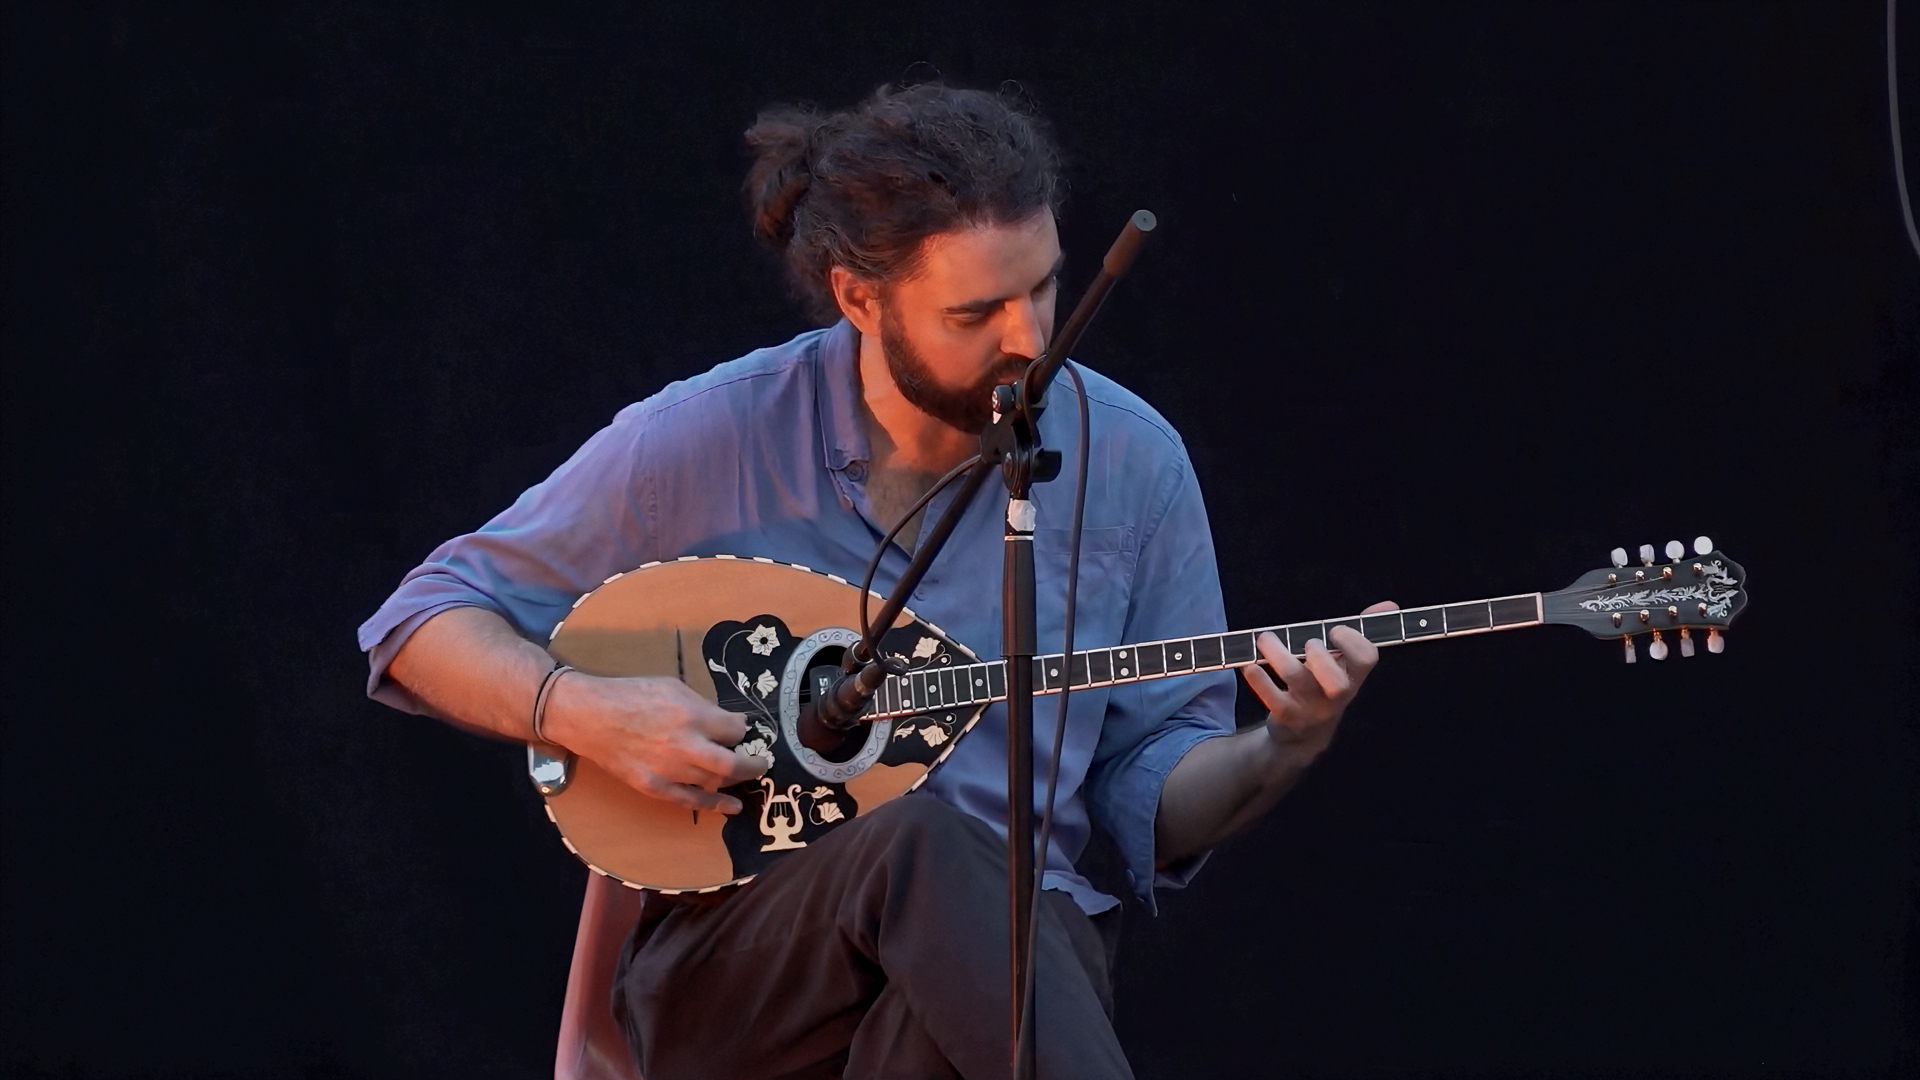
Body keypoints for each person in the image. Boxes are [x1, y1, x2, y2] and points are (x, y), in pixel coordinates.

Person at [358, 83, 1393, 1080]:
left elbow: (1154, 796)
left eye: (1044, 285)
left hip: (1011, 971)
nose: (1030, 339)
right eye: (978, 310)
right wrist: (580, 709)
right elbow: (421, 623)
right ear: (861, 298)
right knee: (915, 842)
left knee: (987, 956)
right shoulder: (705, 441)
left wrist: (1282, 745)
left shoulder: (1133, 461)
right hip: (741, 975)